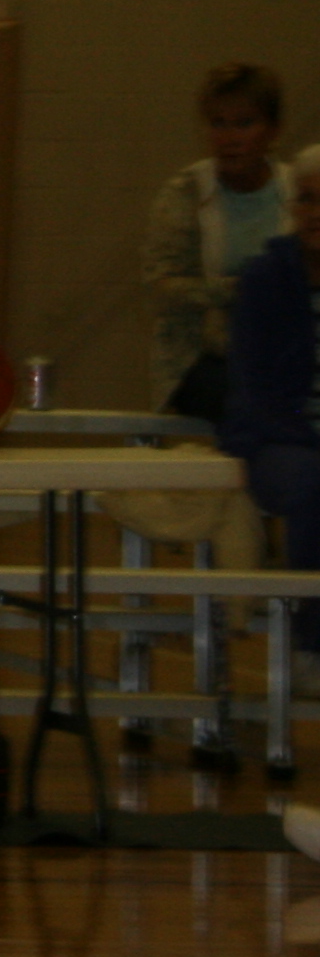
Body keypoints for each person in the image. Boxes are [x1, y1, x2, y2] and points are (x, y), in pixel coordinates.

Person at [144, 64, 294, 421]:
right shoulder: (184, 193)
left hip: (286, 355)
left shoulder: (298, 192)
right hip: (201, 360)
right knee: (254, 398)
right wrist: (239, 289)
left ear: (273, 130)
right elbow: (160, 289)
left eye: (244, 123)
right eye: (218, 123)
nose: (229, 138)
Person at [219, 171, 320, 664]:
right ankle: (311, 648)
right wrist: (305, 433)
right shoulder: (266, 279)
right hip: (280, 442)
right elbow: (252, 390)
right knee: (313, 481)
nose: (316, 213)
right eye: (307, 199)